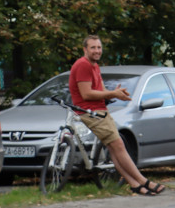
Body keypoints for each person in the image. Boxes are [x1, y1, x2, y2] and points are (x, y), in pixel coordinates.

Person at [69, 35, 165, 196]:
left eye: (99, 47)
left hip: (99, 111)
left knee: (115, 149)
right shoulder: (83, 65)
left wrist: (113, 94)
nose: (97, 51)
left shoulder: (94, 66)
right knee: (119, 146)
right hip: (90, 112)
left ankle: (134, 184)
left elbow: (99, 91)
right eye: (93, 47)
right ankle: (143, 181)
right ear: (85, 49)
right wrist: (112, 93)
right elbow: (86, 94)